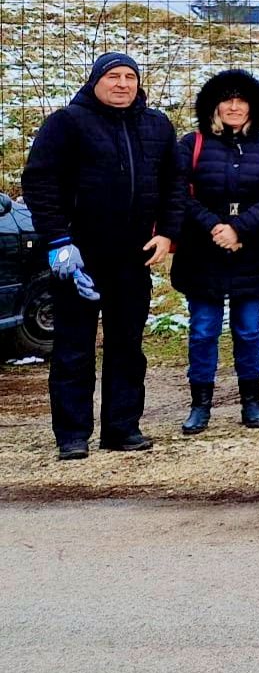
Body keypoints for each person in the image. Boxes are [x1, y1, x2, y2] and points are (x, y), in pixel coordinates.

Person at [24, 53, 181, 459]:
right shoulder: (67, 123)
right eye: (114, 76)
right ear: (96, 80)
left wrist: (167, 235)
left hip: (134, 256)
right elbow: (40, 182)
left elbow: (174, 184)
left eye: (131, 76)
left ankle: (122, 428)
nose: (123, 84)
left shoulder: (156, 125)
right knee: (73, 346)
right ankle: (73, 435)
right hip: (78, 258)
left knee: (127, 344)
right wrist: (58, 240)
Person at [170, 70, 259, 435]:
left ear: (254, 107)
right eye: (227, 100)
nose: (234, 107)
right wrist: (214, 227)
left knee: (249, 330)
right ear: (214, 106)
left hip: (251, 252)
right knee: (204, 330)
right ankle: (200, 405)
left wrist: (240, 228)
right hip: (201, 253)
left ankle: (251, 402)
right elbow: (178, 193)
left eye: (241, 101)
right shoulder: (190, 144)